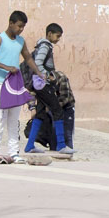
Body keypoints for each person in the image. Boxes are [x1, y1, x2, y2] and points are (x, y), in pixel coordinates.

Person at [0, 10, 44, 164]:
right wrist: (6, 67)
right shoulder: (0, 39)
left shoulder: (20, 41)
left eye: (23, 27)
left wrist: (38, 72)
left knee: (14, 119)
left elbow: (28, 58)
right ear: (11, 23)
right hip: (0, 83)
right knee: (0, 118)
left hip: (15, 84)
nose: (20, 29)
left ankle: (14, 152)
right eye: (19, 26)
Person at [24, 23, 75, 156]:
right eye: (57, 36)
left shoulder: (42, 45)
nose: (58, 39)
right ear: (50, 33)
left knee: (40, 113)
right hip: (42, 84)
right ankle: (61, 145)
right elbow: (38, 63)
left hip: (38, 85)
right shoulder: (45, 46)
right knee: (57, 110)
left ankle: (30, 145)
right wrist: (46, 76)